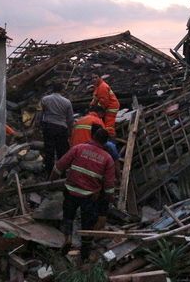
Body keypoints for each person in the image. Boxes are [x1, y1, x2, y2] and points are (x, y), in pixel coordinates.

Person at [50, 126, 115, 261]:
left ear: (93, 137)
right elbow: (109, 185)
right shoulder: (107, 158)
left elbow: (60, 165)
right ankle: (84, 254)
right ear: (105, 142)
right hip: (89, 196)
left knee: (68, 217)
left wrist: (52, 180)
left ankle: (67, 239)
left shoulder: (78, 148)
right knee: (87, 224)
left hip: (71, 191)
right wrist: (108, 199)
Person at [40, 82, 74, 174]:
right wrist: (70, 131)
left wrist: (41, 125)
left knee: (49, 150)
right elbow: (70, 119)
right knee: (62, 151)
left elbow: (42, 113)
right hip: (61, 128)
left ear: (52, 89)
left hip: (48, 126)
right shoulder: (67, 102)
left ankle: (49, 172)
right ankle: (61, 172)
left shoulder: (45, 99)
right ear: (62, 90)